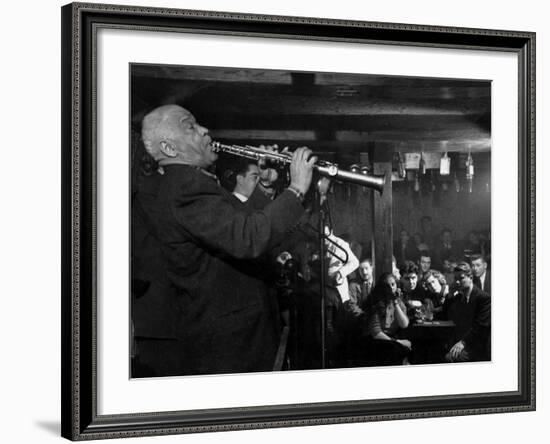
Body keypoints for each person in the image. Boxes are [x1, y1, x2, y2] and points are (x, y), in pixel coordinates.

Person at [131, 104, 316, 377]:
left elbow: (244, 220)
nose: (205, 130)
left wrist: (266, 182)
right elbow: (249, 237)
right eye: (190, 126)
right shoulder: (185, 187)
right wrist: (297, 188)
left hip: (238, 334)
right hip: (230, 343)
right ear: (170, 149)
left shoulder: (194, 183)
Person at [442, 262, 491, 362]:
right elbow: (444, 314)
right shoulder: (458, 298)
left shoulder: (483, 298)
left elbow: (480, 327)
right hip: (458, 342)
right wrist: (450, 294)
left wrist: (463, 342)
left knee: (449, 358)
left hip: (475, 346)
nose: (457, 282)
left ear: (471, 277)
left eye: (461, 278)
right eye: (456, 279)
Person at [364, 273, 411, 366]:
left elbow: (404, 324)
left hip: (391, 337)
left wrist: (396, 302)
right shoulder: (375, 302)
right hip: (376, 340)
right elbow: (376, 332)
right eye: (387, 286)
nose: (391, 288)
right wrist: (398, 342)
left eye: (393, 284)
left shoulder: (397, 301)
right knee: (397, 350)